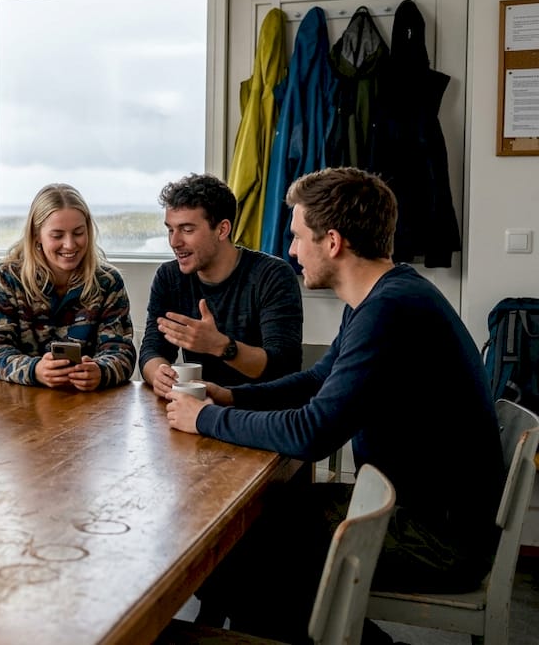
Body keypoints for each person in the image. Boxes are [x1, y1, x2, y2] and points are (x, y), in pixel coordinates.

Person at [165, 167, 504, 643]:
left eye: (298, 236)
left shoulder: (389, 311)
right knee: (253, 538)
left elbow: (313, 432)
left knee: (254, 560)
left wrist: (207, 418)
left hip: (438, 537)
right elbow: (318, 380)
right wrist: (233, 396)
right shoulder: (380, 295)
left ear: (333, 242)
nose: (290, 250)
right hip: (405, 505)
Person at [140, 174, 302, 399]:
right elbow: (152, 349)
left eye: (187, 230)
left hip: (261, 413)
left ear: (222, 230)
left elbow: (283, 366)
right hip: (198, 408)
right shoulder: (169, 277)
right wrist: (159, 374)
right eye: (170, 229)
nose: (174, 242)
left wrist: (220, 346)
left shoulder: (272, 275)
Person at [0, 184, 136, 390]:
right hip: (14, 401)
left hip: (85, 406)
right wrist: (35, 370)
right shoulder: (5, 278)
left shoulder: (108, 282)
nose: (70, 244)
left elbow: (121, 352)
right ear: (37, 236)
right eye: (57, 235)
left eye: (78, 233)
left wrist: (101, 371)